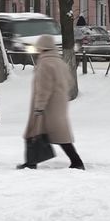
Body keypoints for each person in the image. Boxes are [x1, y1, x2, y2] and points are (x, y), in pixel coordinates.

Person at [18, 35, 85, 170]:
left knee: (32, 133)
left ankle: (31, 163)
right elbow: (70, 82)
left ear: (42, 48)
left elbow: (44, 88)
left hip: (47, 106)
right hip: (59, 104)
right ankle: (76, 161)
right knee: (61, 135)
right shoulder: (60, 62)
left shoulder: (45, 64)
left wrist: (39, 106)